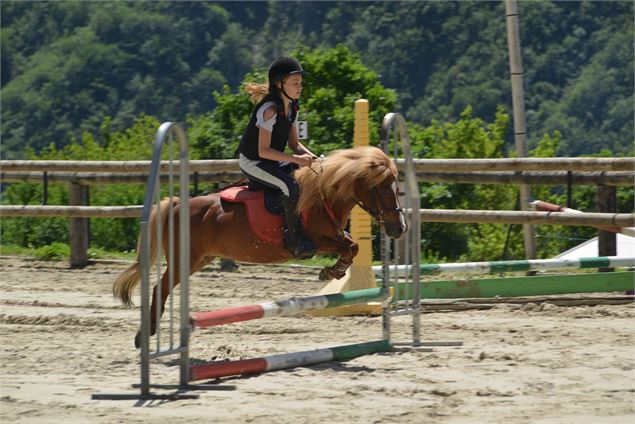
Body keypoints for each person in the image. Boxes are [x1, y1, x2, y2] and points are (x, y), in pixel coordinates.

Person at [237, 56, 317, 259]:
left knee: (310, 177)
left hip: (271, 160)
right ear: (279, 84)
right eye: (295, 83)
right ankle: (293, 239)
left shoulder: (292, 107)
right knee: (290, 186)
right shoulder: (269, 110)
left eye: (301, 83)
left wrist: (313, 158)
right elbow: (263, 151)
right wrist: (298, 160)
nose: (300, 88)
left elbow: (294, 145)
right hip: (253, 161)